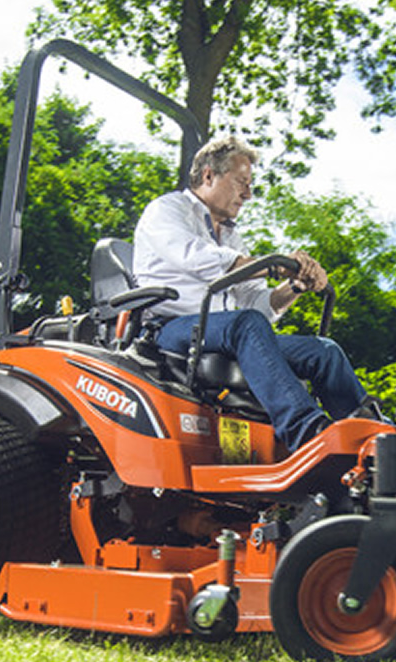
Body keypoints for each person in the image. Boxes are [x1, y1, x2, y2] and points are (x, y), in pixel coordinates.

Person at [133, 135, 375, 449]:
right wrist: (273, 265)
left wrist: (294, 286)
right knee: (244, 324)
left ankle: (370, 437)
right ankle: (309, 434)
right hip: (171, 329)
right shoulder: (167, 211)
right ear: (209, 175)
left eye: (250, 185)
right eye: (241, 182)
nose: (248, 195)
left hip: (227, 333)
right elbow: (197, 257)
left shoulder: (233, 238)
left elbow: (256, 307)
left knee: (323, 351)